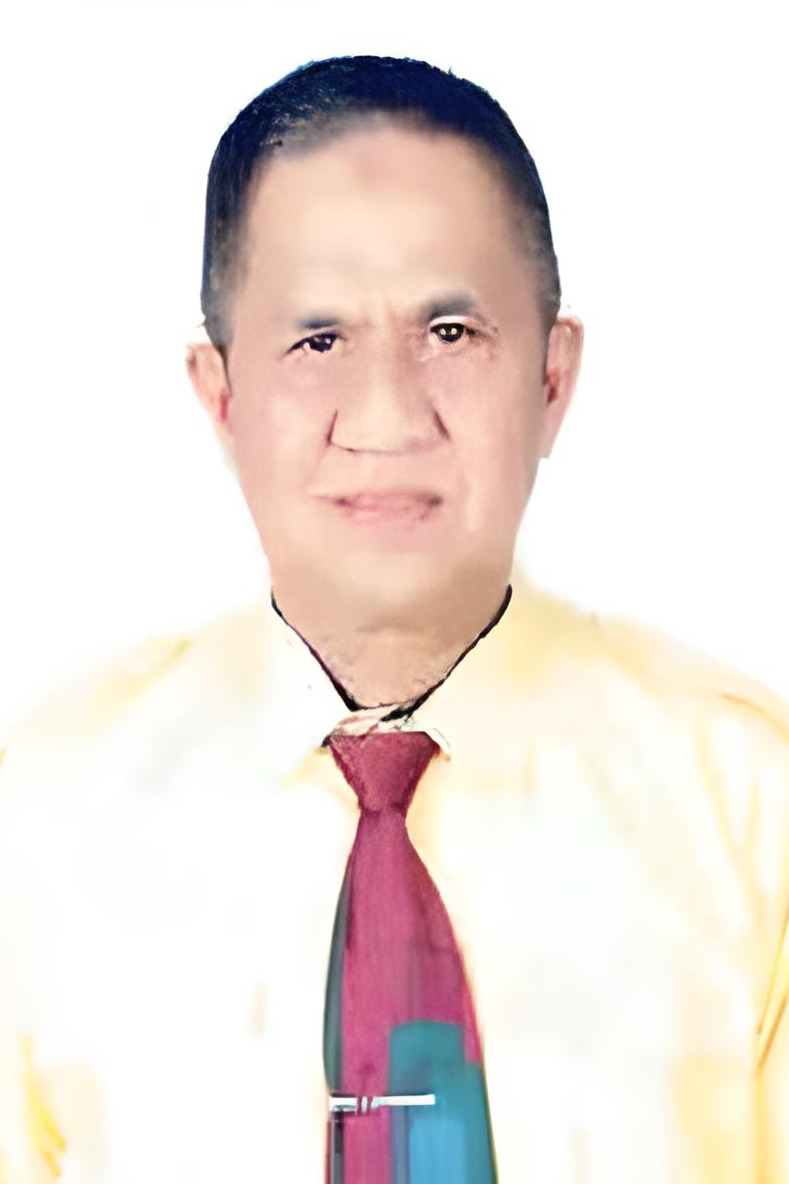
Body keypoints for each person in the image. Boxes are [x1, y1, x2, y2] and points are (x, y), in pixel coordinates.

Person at [1, 54, 788, 1184]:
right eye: (319, 341)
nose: (385, 415)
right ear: (221, 396)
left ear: (552, 379)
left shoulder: (753, 808)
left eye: (450, 332)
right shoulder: (37, 824)